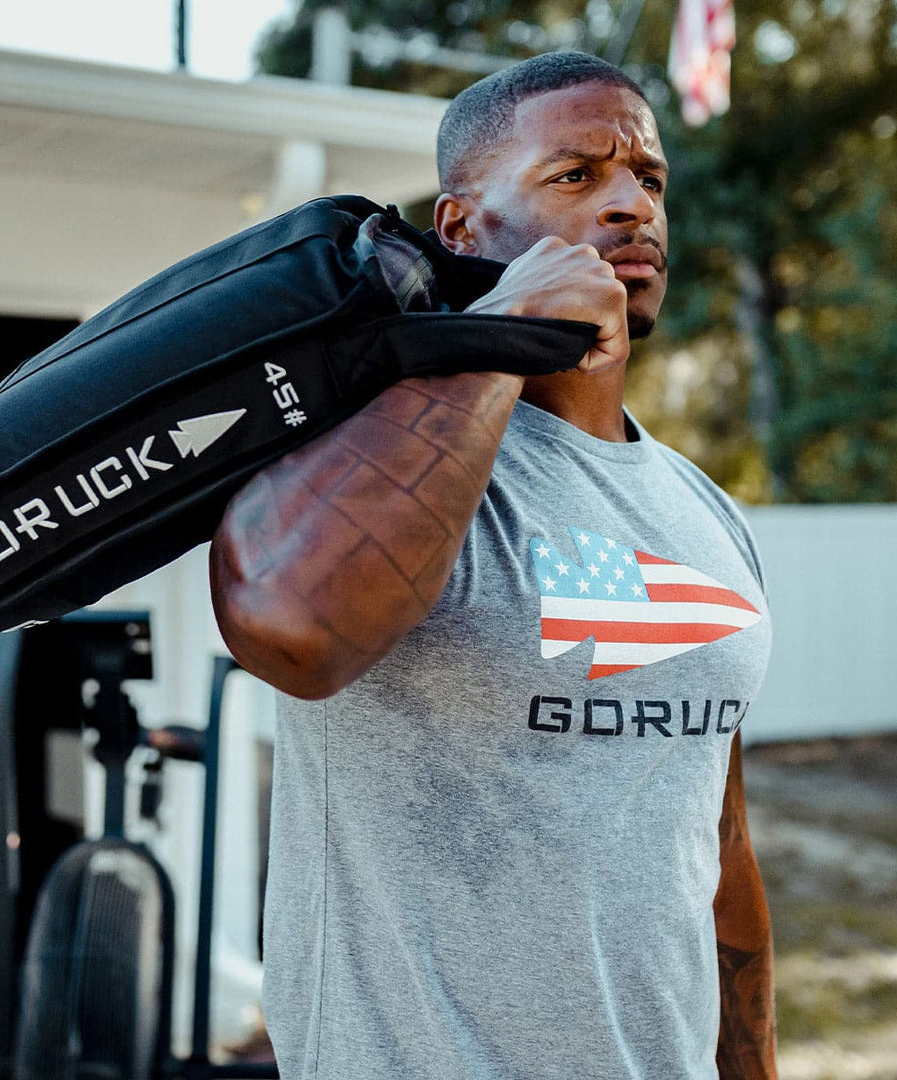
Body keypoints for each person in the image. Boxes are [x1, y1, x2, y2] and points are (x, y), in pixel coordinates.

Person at [210, 51, 777, 1080]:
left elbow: (716, 841)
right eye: (576, 176)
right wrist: (501, 338)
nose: (629, 207)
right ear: (463, 228)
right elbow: (290, 629)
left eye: (647, 179)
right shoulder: (372, 460)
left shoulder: (708, 513)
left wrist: (753, 1064)